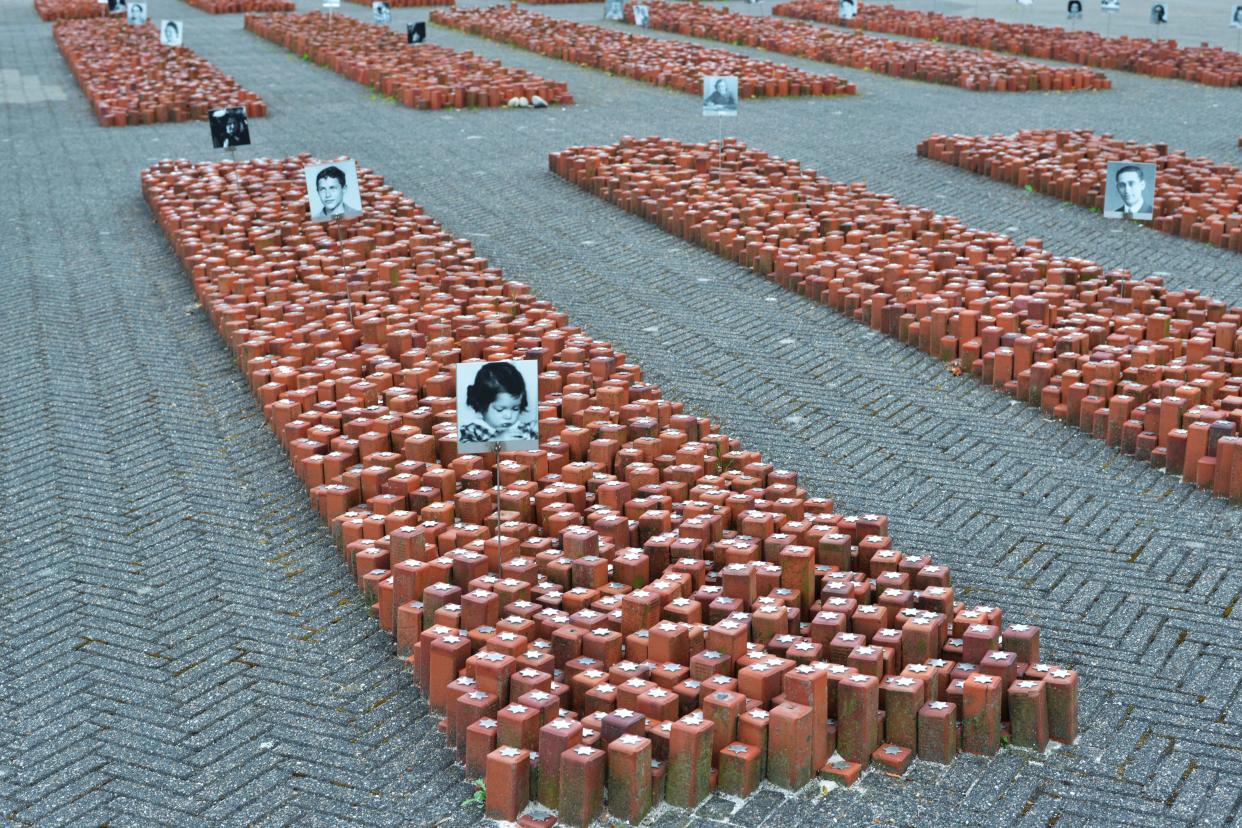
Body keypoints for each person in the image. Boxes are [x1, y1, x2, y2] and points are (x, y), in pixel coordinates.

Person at [457, 362, 538, 446]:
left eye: (515, 408)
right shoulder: (471, 431)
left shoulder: (527, 430)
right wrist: (498, 442)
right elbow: (468, 454)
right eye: (500, 409)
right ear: (481, 405)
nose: (509, 416)